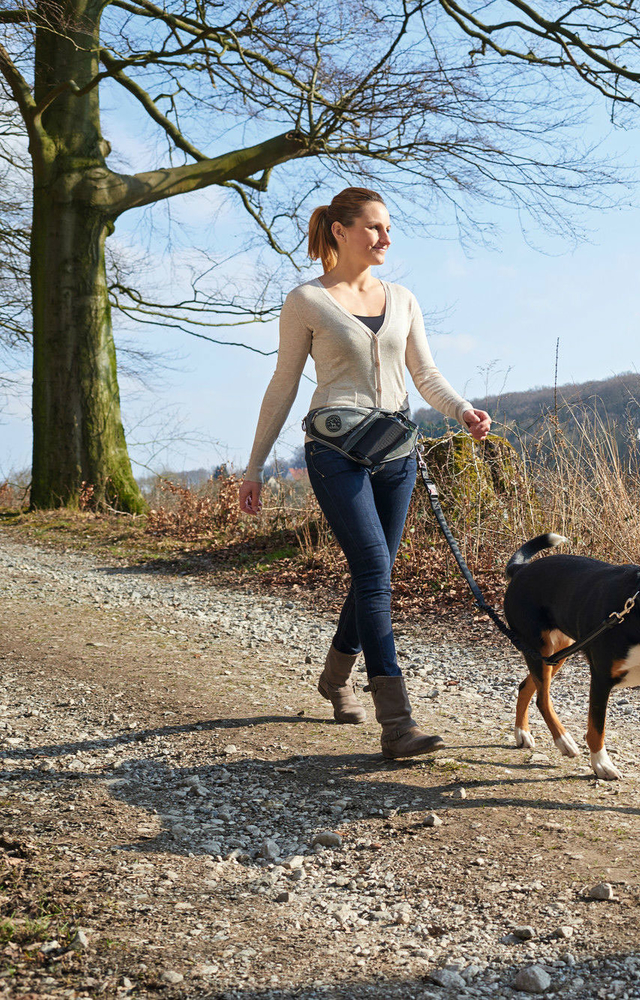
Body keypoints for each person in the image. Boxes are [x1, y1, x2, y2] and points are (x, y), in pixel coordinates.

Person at [239, 186, 491, 759]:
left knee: (373, 572)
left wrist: (462, 410)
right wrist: (254, 466)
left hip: (397, 452)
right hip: (335, 452)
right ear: (341, 231)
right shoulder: (307, 301)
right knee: (375, 570)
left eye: (387, 227)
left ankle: (333, 679)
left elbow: (424, 373)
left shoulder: (402, 298)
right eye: (374, 227)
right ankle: (396, 724)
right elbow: (283, 385)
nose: (386, 237)